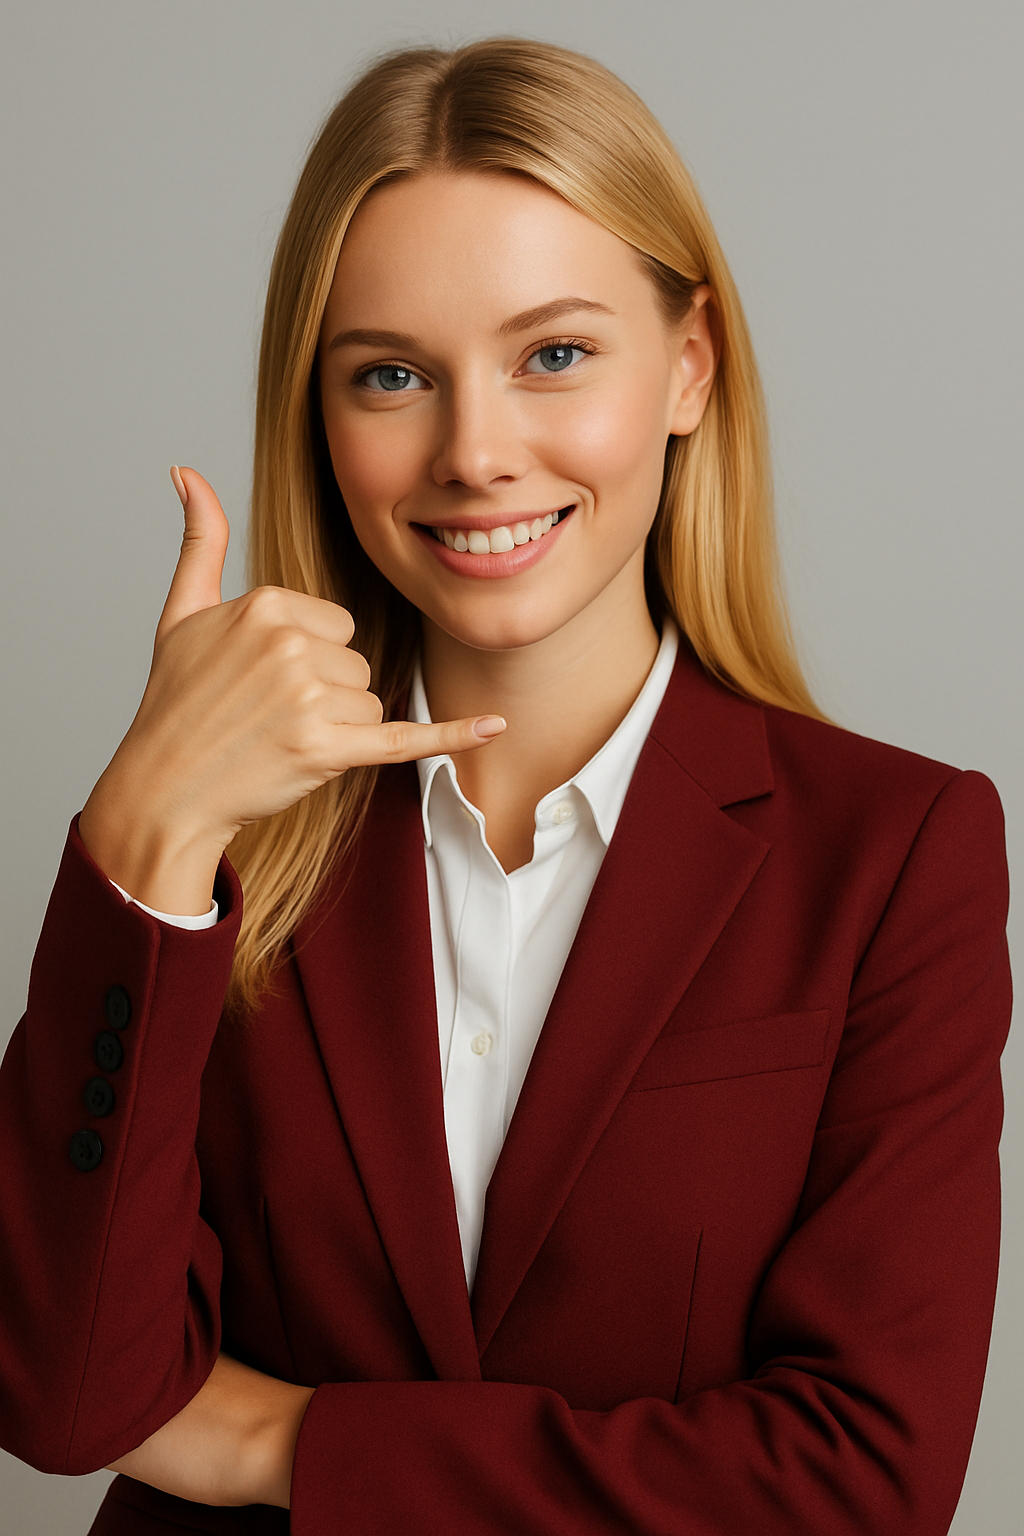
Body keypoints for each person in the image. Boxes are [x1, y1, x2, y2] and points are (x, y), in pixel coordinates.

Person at [0, 36, 1011, 1536]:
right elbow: (71, 1398)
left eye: (554, 354)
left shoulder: (894, 854)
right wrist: (149, 831)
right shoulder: (217, 848)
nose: (475, 452)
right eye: (392, 374)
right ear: (319, 414)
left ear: (687, 365)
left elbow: (861, 1487)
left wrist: (290, 1448)